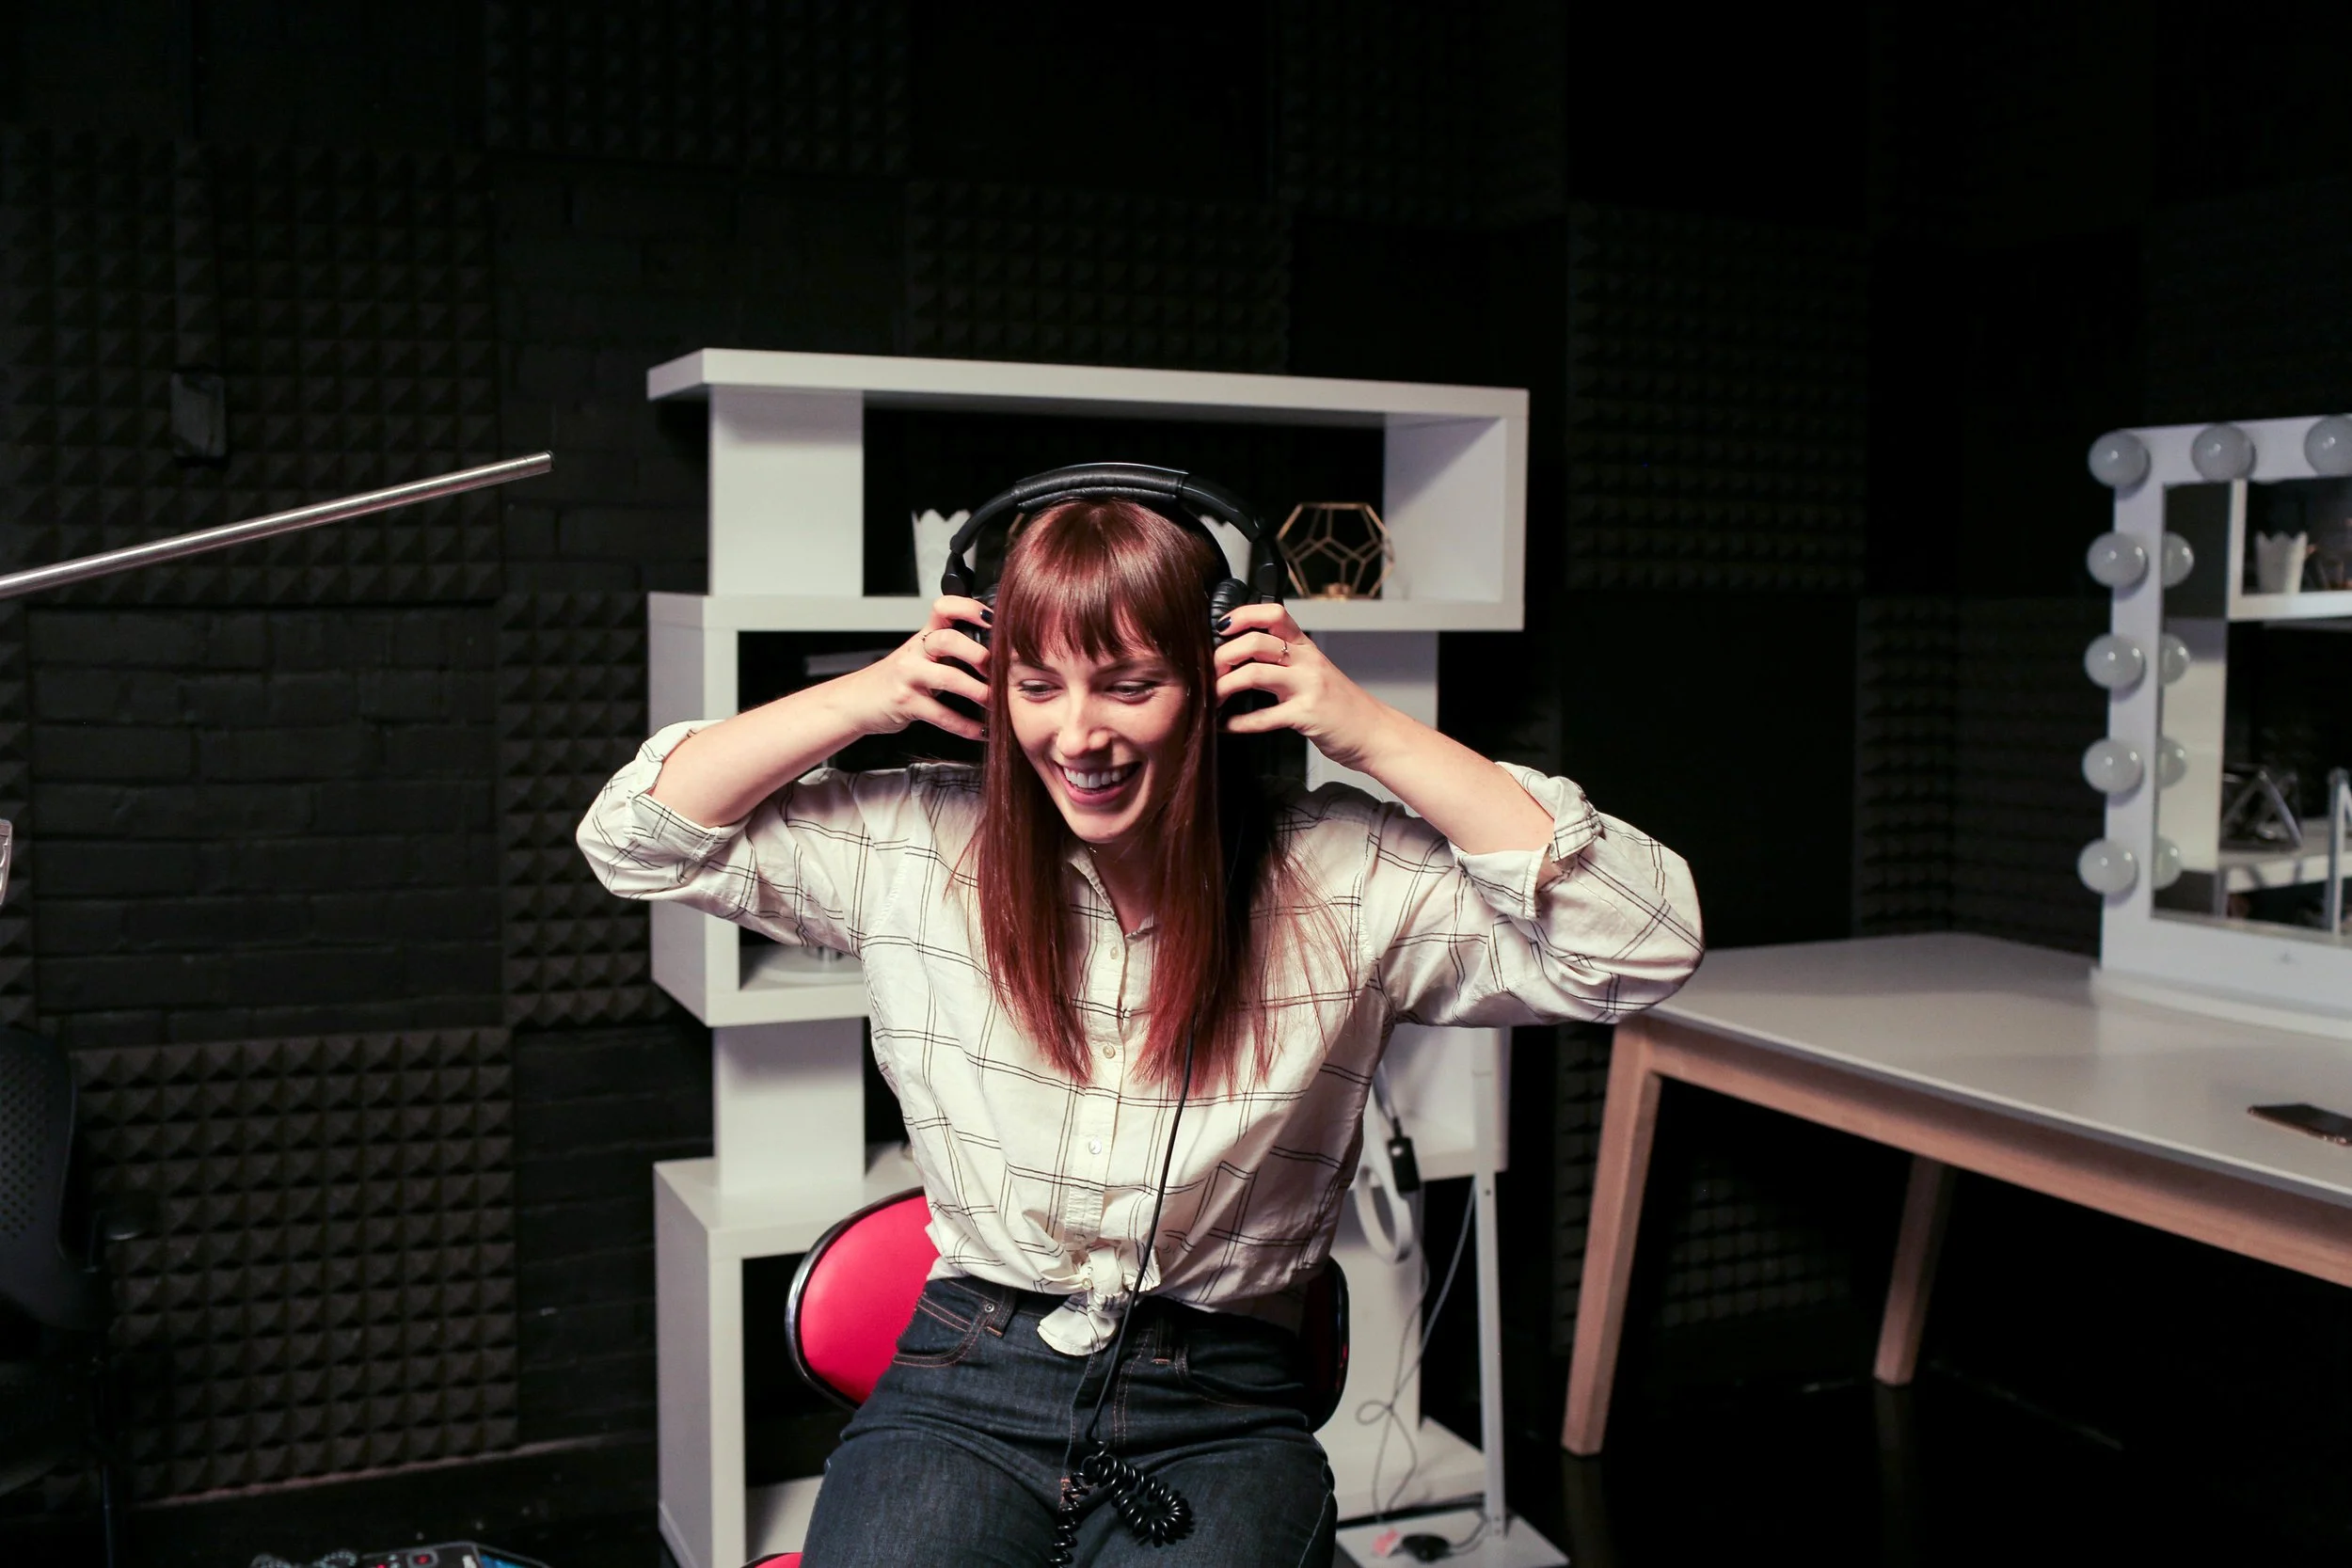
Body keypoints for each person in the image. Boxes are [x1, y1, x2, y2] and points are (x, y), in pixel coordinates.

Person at [578, 496, 1703, 1566]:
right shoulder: (916, 837)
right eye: (1037, 685)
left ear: (1218, 680)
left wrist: (1365, 728)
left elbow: (1642, 942)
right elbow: (633, 836)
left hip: (1223, 1396)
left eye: (1129, 685)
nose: (1079, 734)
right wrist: (867, 696)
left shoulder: (1345, 871)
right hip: (967, 1372)